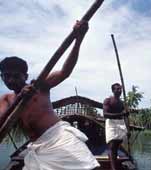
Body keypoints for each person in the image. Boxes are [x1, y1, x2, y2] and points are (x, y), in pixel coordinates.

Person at [0, 21, 100, 170]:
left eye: (15, 76)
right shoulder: (7, 99)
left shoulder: (39, 85)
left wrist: (78, 40)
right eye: (6, 76)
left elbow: (65, 72)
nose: (10, 80)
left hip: (59, 137)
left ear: (25, 75)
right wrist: (19, 99)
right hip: (37, 148)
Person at [103, 83, 129, 170]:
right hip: (111, 123)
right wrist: (120, 114)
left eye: (120, 89)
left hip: (120, 123)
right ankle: (113, 168)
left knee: (117, 144)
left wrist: (127, 129)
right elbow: (105, 114)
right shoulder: (108, 100)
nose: (119, 90)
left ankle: (111, 156)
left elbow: (125, 116)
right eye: (117, 89)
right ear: (113, 90)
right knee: (112, 145)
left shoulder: (122, 103)